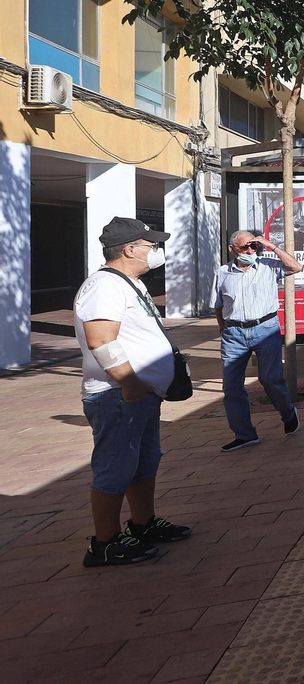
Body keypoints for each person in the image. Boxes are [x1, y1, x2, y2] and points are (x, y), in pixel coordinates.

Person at [73, 217, 193, 566]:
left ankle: (143, 524)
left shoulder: (128, 284)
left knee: (142, 464)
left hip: (137, 395)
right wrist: (130, 382)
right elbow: (100, 340)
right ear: (129, 249)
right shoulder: (105, 286)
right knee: (115, 468)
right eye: (150, 245)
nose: (154, 252)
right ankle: (105, 544)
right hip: (117, 395)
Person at [214, 230, 304, 452]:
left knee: (270, 379)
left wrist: (270, 245)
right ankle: (244, 434)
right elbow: (218, 305)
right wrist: (223, 328)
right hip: (234, 334)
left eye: (254, 246)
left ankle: (288, 414)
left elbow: (296, 267)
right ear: (232, 249)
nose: (250, 251)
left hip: (265, 329)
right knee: (232, 386)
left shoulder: (268, 266)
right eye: (245, 247)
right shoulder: (222, 273)